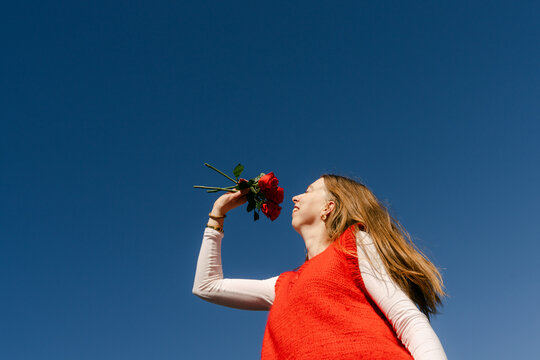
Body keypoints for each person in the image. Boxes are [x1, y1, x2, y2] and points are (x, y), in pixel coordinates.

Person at [193, 174, 447, 360]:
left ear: (329, 207)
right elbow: (207, 286)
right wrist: (218, 212)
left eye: (309, 190)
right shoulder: (283, 285)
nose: (295, 196)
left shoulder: (352, 244)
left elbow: (407, 320)